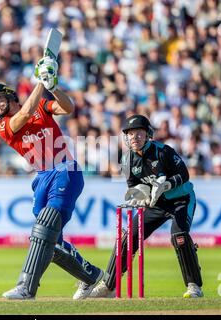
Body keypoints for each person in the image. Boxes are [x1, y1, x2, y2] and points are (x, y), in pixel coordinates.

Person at [0, 56, 103, 300]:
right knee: (49, 240)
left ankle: (26, 287)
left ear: (9, 95)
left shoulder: (41, 106)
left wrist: (53, 86)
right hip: (42, 178)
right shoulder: (4, 126)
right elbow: (25, 115)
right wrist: (41, 81)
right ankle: (90, 276)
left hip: (64, 170)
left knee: (45, 229)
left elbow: (68, 108)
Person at [76, 114, 203, 299]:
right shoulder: (127, 160)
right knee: (129, 237)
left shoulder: (163, 151)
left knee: (180, 236)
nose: (133, 138)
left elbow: (184, 174)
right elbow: (133, 187)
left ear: (148, 135)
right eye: (129, 134)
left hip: (180, 199)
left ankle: (194, 286)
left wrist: (166, 185)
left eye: (138, 134)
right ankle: (108, 285)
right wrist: (141, 195)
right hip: (155, 204)